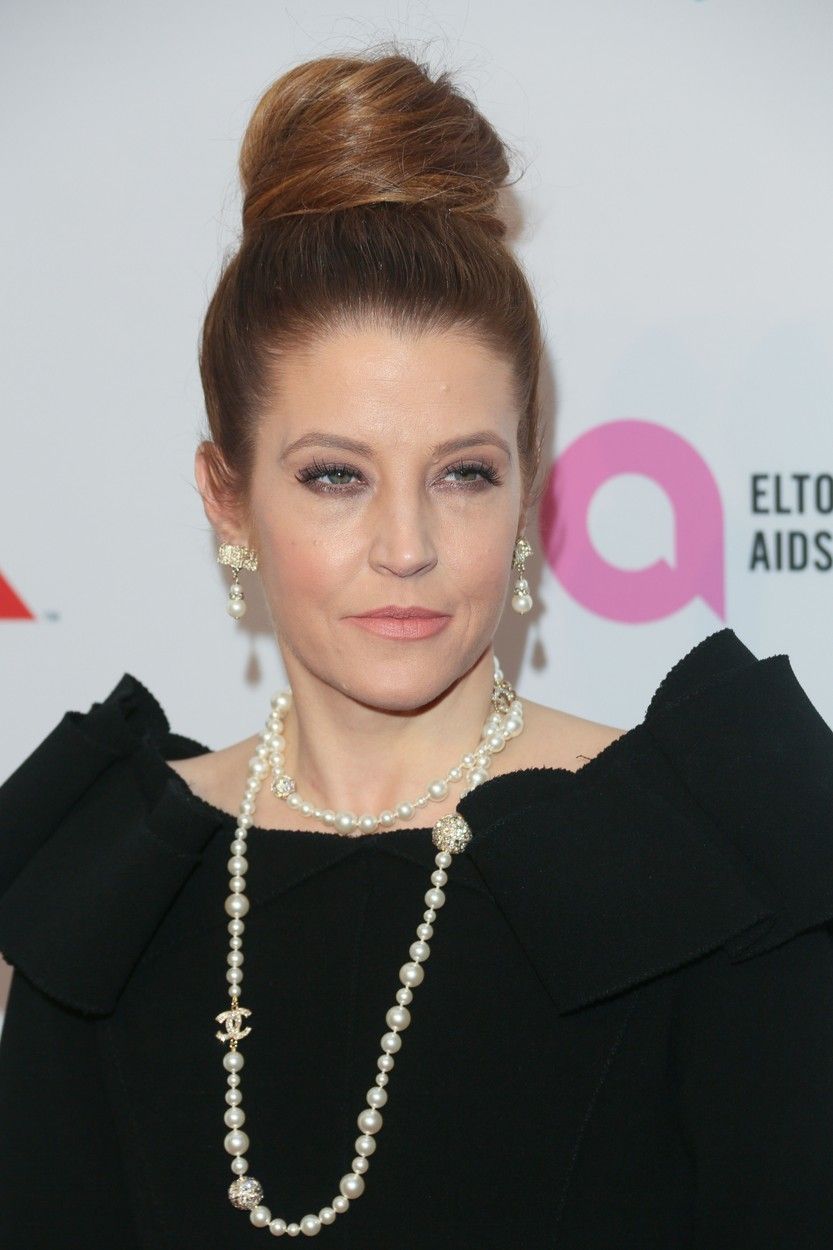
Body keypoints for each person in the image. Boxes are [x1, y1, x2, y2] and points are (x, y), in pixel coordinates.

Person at [1, 45, 833, 1250]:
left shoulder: (712, 872)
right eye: (334, 476)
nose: (407, 546)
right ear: (227, 498)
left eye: (463, 474)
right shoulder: (94, 900)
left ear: (527, 489)